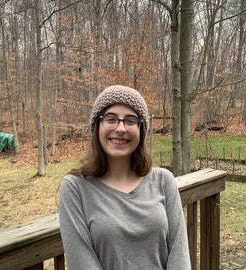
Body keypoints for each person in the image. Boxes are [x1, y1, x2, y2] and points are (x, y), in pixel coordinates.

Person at [59, 85, 191, 270]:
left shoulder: (164, 181)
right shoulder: (75, 188)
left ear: (141, 129)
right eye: (111, 119)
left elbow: (180, 255)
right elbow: (81, 262)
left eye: (130, 121)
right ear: (97, 126)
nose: (120, 128)